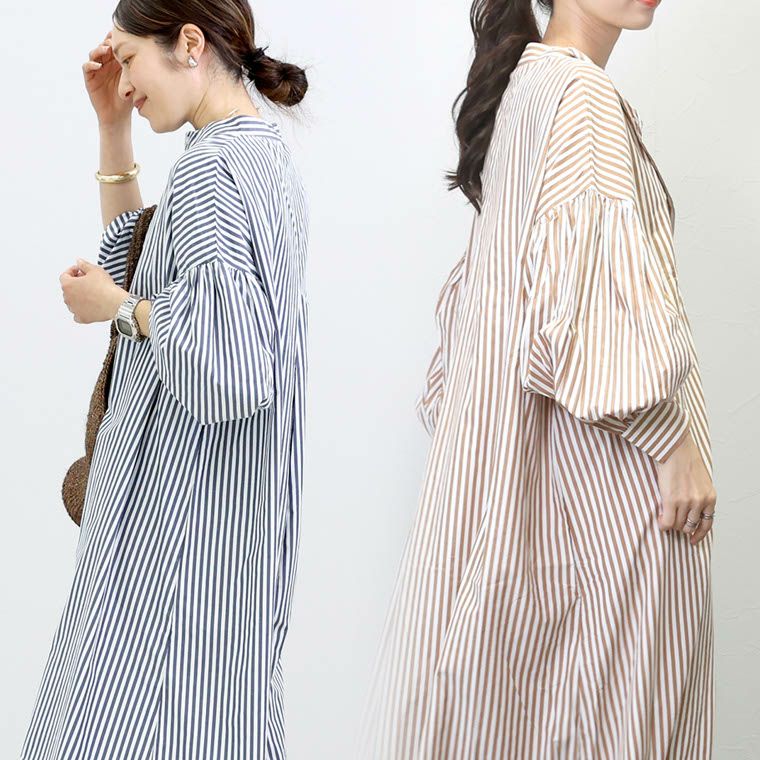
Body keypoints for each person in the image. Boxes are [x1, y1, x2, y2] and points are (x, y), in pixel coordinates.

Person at [359, 0, 716, 757]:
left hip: (551, 501)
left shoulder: (528, 86)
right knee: (620, 726)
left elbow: (498, 309)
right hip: (620, 505)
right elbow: (582, 309)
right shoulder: (580, 95)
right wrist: (675, 444)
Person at [21, 2, 308, 758]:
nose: (123, 80)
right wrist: (113, 129)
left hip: (176, 525)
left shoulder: (214, 169)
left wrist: (119, 311)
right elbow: (146, 271)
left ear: (188, 43)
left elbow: (231, 365)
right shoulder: (256, 153)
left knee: (132, 723)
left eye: (129, 59)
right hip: (219, 524)